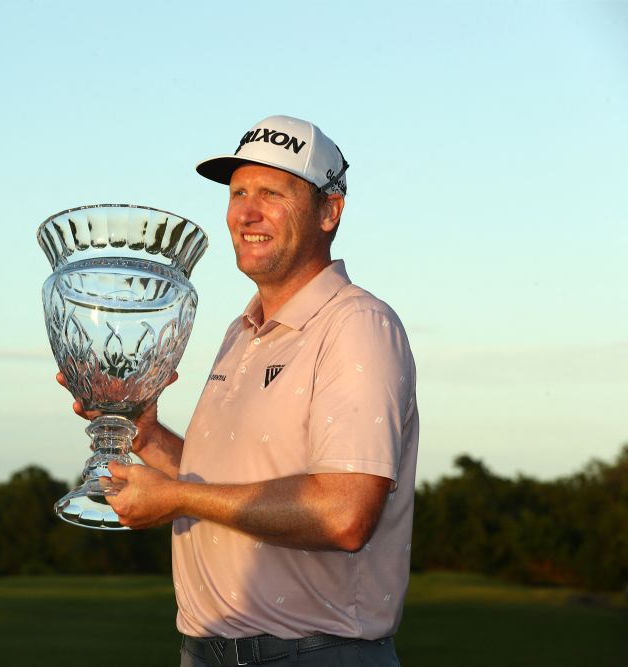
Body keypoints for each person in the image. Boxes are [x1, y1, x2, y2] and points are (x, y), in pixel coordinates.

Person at [62, 115, 417, 666]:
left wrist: (176, 499)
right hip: (207, 655)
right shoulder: (240, 332)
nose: (245, 213)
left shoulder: (357, 325)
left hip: (313, 655)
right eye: (238, 193)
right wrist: (144, 433)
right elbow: (228, 487)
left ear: (329, 212)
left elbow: (345, 513)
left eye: (272, 194)